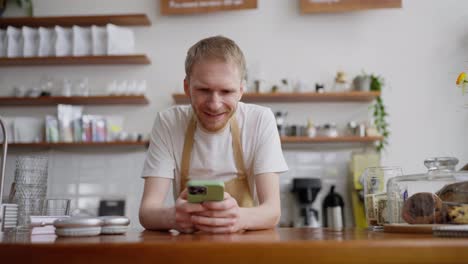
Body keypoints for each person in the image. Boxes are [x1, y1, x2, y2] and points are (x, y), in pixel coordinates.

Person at [139, 35, 288, 234]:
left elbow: (272, 211)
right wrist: (174, 217)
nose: (214, 104)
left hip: (246, 248)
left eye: (226, 91)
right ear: (187, 88)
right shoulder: (169, 123)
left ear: (241, 91)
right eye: (203, 90)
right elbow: (147, 212)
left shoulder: (260, 120)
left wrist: (238, 217)